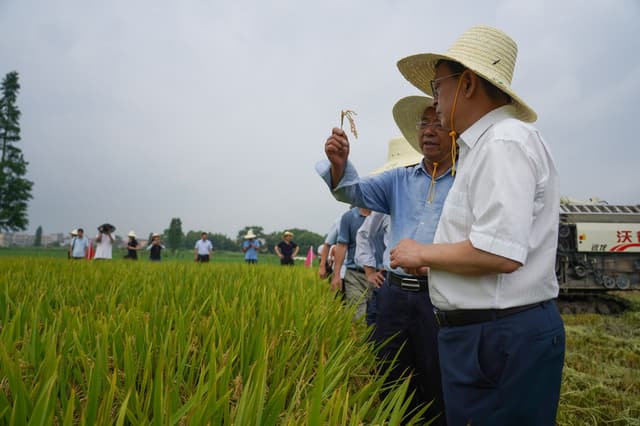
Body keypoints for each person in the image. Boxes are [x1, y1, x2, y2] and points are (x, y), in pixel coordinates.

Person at [390, 25, 565, 425]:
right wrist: (437, 263)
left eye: (438, 87)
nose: (436, 99)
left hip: (497, 338)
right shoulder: (488, 145)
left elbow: (499, 251)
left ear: (467, 83)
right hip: (489, 336)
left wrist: (422, 252)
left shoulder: (503, 143)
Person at [316, 95, 454, 425]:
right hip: (394, 297)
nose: (429, 131)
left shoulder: (467, 182)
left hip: (441, 298)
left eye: (438, 123)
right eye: (424, 124)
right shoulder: (398, 180)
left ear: (454, 131)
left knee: (436, 383)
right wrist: (339, 164)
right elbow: (352, 192)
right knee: (388, 374)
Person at [331, 207, 372, 320]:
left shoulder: (385, 214)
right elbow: (342, 245)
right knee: (357, 316)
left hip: (380, 276)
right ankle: (357, 337)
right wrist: (336, 275)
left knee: (376, 318)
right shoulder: (348, 217)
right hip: (355, 275)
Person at [355, 211, 388, 326]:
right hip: (391, 279)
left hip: (431, 281)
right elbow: (363, 235)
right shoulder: (393, 199)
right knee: (377, 330)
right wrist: (370, 273)